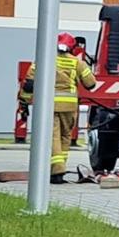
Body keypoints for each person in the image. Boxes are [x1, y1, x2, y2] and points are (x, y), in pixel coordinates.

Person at [20, 33, 96, 182]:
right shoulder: (77, 62)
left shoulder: (44, 59)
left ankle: (57, 169)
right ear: (72, 47)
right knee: (65, 136)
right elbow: (91, 83)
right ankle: (59, 168)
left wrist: (24, 102)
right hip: (69, 107)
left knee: (53, 136)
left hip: (50, 105)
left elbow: (28, 85)